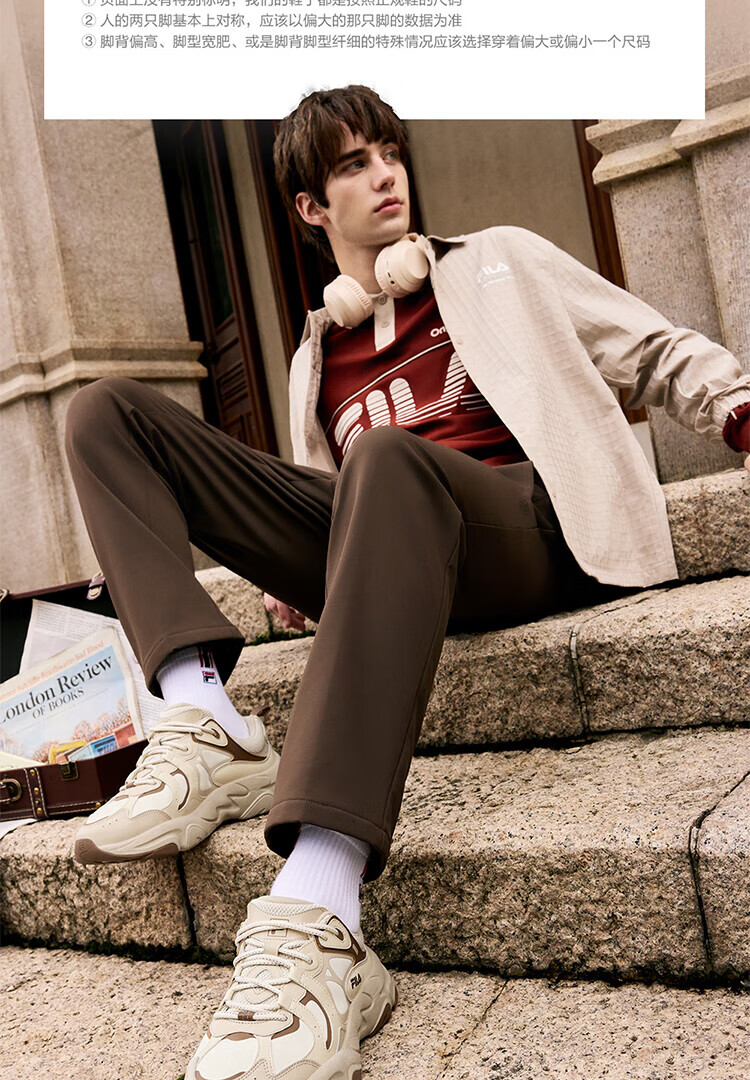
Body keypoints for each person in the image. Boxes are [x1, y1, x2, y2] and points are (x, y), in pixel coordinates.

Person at [64, 86, 750, 1080]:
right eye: (353, 164)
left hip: (522, 530)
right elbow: (328, 500)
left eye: (389, 152)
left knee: (384, 459)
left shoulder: (501, 260)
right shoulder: (315, 357)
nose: (385, 174)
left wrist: (735, 404)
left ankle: (322, 899)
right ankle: (201, 712)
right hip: (401, 542)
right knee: (104, 414)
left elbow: (647, 348)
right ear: (311, 208)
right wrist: (301, 579)